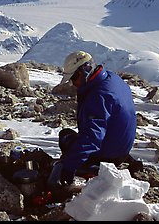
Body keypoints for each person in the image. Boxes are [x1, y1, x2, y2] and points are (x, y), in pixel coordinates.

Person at [48, 50, 138, 189]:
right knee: (72, 140)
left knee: (66, 138)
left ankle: (93, 169)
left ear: (84, 71)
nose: (73, 83)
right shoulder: (111, 78)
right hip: (121, 146)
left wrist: (68, 167)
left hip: (110, 153)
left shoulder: (98, 96)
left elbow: (92, 137)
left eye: (74, 78)